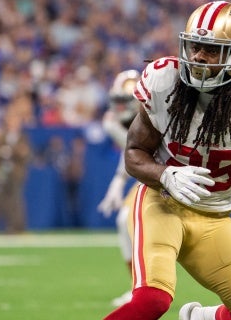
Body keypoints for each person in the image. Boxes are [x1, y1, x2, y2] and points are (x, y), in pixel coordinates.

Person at [103, 2, 231, 320]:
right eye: (194, 46)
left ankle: (201, 317)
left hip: (214, 217)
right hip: (162, 203)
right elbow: (134, 153)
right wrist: (165, 175)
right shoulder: (164, 81)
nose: (197, 56)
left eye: (211, 50)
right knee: (152, 301)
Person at [96, 69, 142, 307]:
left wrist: (119, 181)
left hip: (169, 173)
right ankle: (139, 288)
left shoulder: (151, 116)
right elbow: (133, 153)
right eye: (118, 101)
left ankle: (143, 288)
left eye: (125, 101)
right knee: (124, 220)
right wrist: (118, 181)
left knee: (127, 220)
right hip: (150, 174)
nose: (120, 107)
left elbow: (140, 151)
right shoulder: (115, 122)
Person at [0, 110, 32, 234]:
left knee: (16, 201)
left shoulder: (23, 137)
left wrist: (11, 150)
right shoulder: (1, 136)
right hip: (2, 171)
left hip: (16, 172)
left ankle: (17, 227)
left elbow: (25, 154)